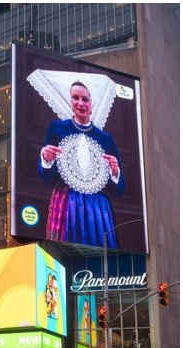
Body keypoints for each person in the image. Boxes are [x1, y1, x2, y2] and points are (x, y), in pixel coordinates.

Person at [38, 81, 125, 247]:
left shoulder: (105, 139)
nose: (80, 103)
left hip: (97, 209)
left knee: (100, 253)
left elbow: (119, 190)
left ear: (92, 104)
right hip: (66, 202)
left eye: (85, 99)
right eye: (75, 98)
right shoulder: (57, 128)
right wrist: (46, 159)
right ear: (70, 101)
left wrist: (115, 172)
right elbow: (48, 179)